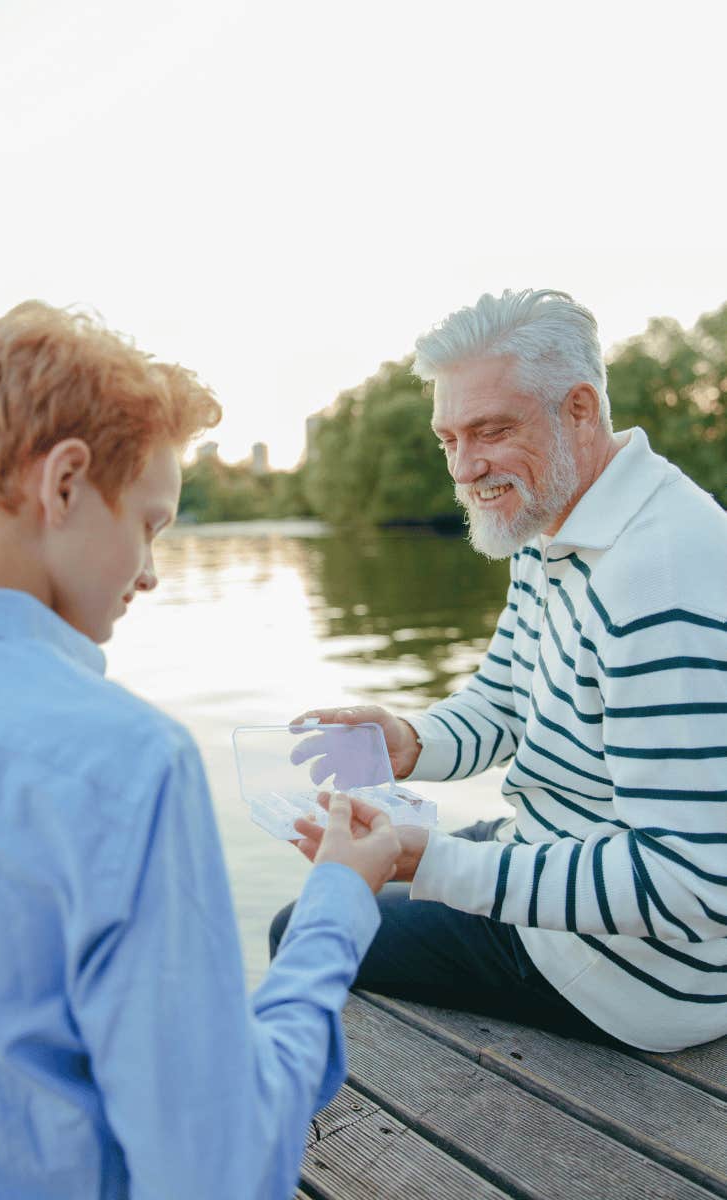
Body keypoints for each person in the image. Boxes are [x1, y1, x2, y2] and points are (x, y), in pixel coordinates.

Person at [0, 301, 401, 1200]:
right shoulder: (124, 761)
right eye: (151, 524)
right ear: (66, 483)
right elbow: (218, 1170)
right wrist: (337, 906)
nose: (152, 572)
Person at [271, 288, 727, 1054]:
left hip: (636, 975)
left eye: (489, 431)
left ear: (580, 409)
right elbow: (507, 698)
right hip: (553, 844)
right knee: (354, 868)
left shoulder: (660, 577)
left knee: (307, 923)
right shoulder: (553, 526)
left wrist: (439, 864)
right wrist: (410, 740)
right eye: (447, 437)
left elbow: (689, 883)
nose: (463, 466)